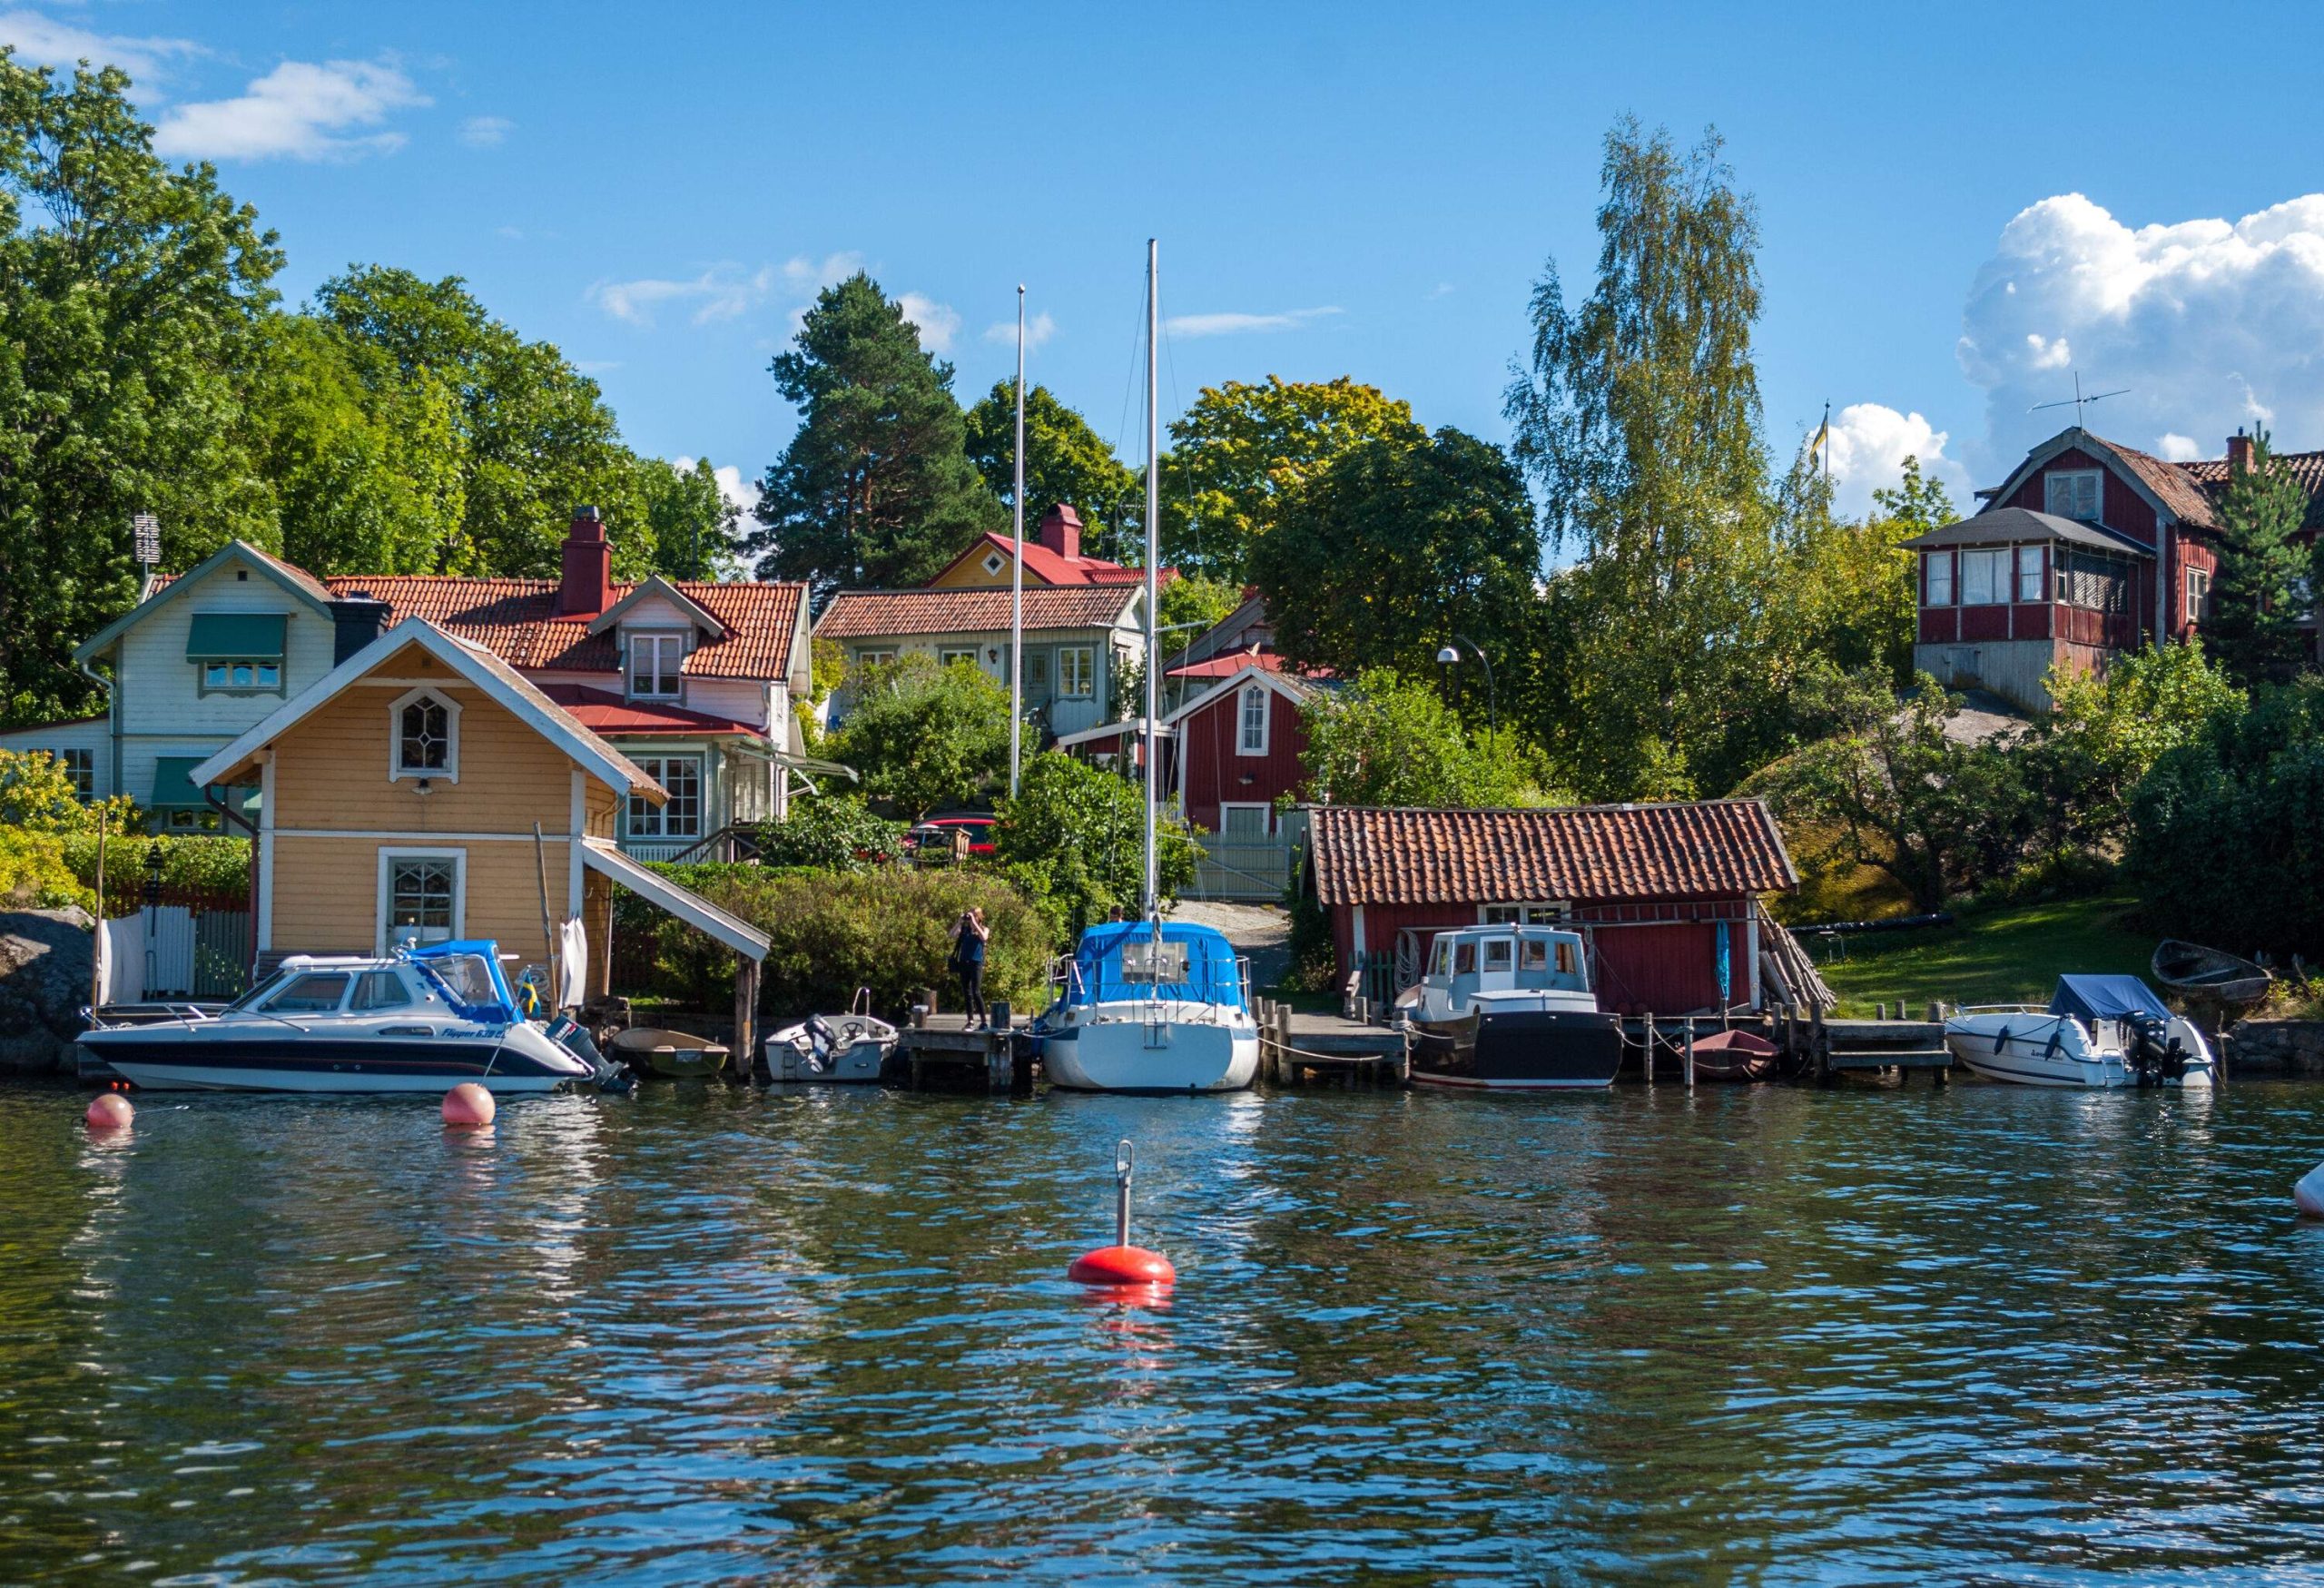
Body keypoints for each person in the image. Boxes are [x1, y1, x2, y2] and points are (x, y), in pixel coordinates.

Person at [952, 906, 991, 1028]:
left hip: (976, 963)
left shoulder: (984, 929)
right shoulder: (965, 930)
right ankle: (970, 1020)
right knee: (966, 992)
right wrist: (959, 922)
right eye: (970, 915)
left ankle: (984, 1021)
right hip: (964, 962)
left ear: (979, 917)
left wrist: (974, 923)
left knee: (976, 992)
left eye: (974, 915)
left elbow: (984, 938)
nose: (971, 918)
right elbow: (952, 935)